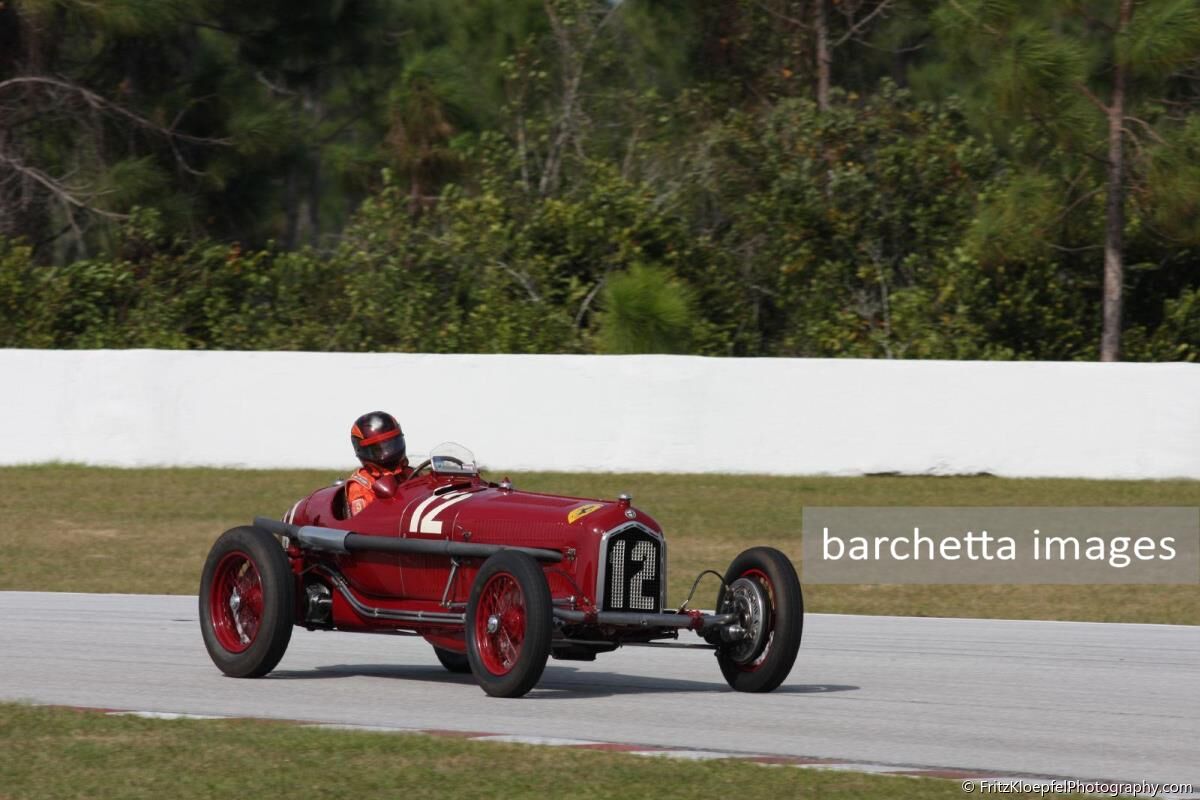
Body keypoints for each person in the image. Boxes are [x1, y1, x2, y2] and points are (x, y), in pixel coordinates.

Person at [346, 411, 410, 516]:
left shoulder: (409, 473)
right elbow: (363, 524)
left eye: (392, 444)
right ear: (362, 450)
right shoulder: (361, 486)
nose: (388, 452)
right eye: (379, 449)